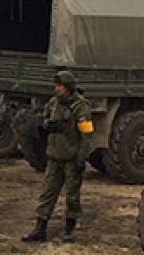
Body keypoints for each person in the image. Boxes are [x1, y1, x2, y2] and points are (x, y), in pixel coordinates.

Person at [24, 70, 95, 243]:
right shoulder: (53, 103)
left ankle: (70, 230)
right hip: (54, 156)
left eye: (60, 86)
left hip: (71, 158)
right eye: (56, 86)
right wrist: (45, 124)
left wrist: (81, 158)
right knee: (47, 193)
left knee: (71, 195)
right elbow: (43, 119)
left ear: (69, 88)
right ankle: (40, 229)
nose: (57, 89)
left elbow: (87, 134)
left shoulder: (80, 107)